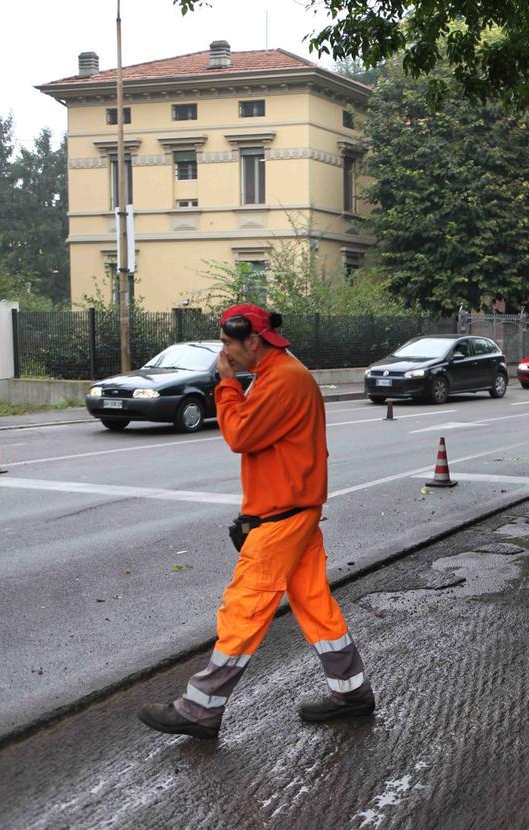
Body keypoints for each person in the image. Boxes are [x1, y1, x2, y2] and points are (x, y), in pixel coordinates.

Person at [138, 304, 375, 740]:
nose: (223, 352)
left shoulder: (282, 379)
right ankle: (352, 692)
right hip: (292, 509)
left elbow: (240, 436)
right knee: (314, 604)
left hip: (282, 516)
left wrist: (227, 384)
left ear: (254, 340)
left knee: (244, 607)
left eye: (228, 344)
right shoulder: (279, 375)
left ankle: (200, 707)